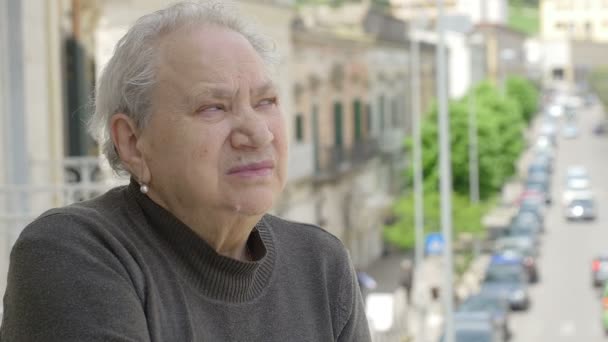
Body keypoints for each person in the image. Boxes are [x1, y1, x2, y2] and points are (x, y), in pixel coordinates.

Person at [0, 2, 371, 341]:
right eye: (213, 108)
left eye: (266, 102)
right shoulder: (72, 253)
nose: (258, 133)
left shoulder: (319, 264)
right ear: (132, 142)